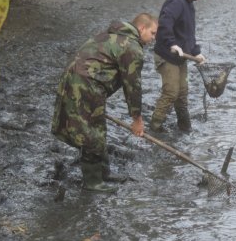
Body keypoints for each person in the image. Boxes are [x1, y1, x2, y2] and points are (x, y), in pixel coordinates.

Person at [51, 13, 158, 193]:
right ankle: (93, 182)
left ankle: (104, 172)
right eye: (153, 33)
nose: (153, 39)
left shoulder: (112, 34)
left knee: (97, 127)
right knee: (91, 131)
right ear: (141, 28)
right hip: (85, 84)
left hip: (77, 78)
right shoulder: (132, 48)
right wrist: (137, 118)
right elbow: (132, 86)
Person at [150, 0, 207, 133]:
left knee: (182, 94)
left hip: (180, 57)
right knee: (171, 92)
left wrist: (196, 52)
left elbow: (188, 33)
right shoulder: (176, 1)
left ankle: (185, 127)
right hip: (167, 55)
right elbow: (164, 24)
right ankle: (154, 128)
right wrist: (171, 43)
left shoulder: (189, 4)